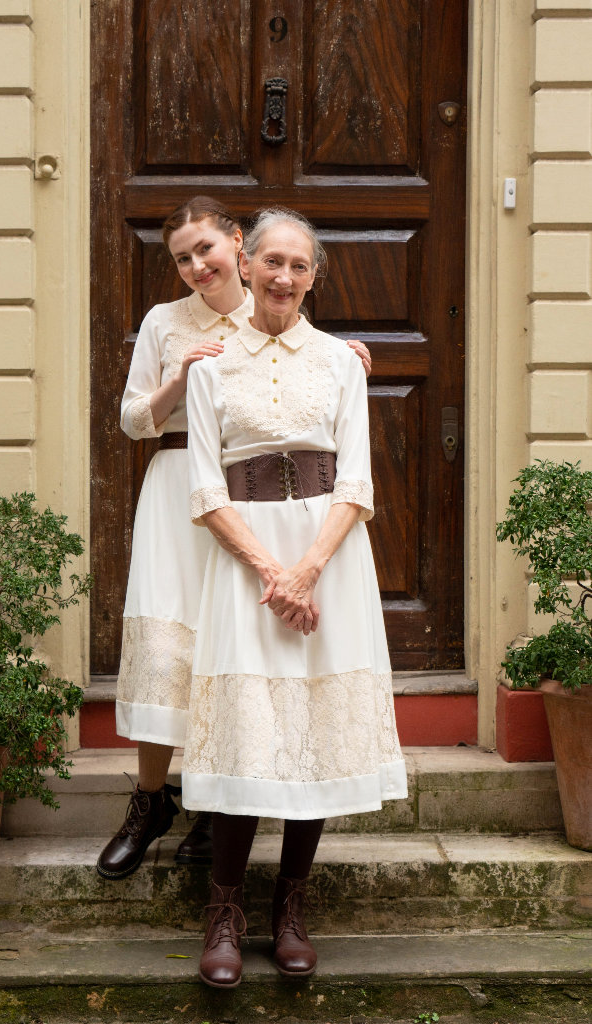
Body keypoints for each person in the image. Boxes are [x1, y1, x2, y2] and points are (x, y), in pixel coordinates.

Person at [97, 196, 375, 880]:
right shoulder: (167, 322)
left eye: (205, 250)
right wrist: (178, 377)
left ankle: (211, 801)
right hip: (182, 487)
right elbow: (134, 419)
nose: (196, 265)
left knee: (239, 646)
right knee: (174, 647)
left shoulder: (273, 308)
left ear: (236, 250)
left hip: (264, 500)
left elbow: (301, 378)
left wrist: (350, 354)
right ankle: (150, 797)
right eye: (182, 258)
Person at [183, 207, 407, 988]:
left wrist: (307, 570)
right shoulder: (208, 366)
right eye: (270, 261)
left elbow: (356, 481)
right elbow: (205, 487)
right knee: (248, 734)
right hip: (242, 564)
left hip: (330, 559)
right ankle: (222, 913)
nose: (282, 277)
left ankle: (289, 907)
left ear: (314, 276)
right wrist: (270, 573)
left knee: (310, 726)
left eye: (298, 266)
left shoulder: (343, 363)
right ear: (246, 267)